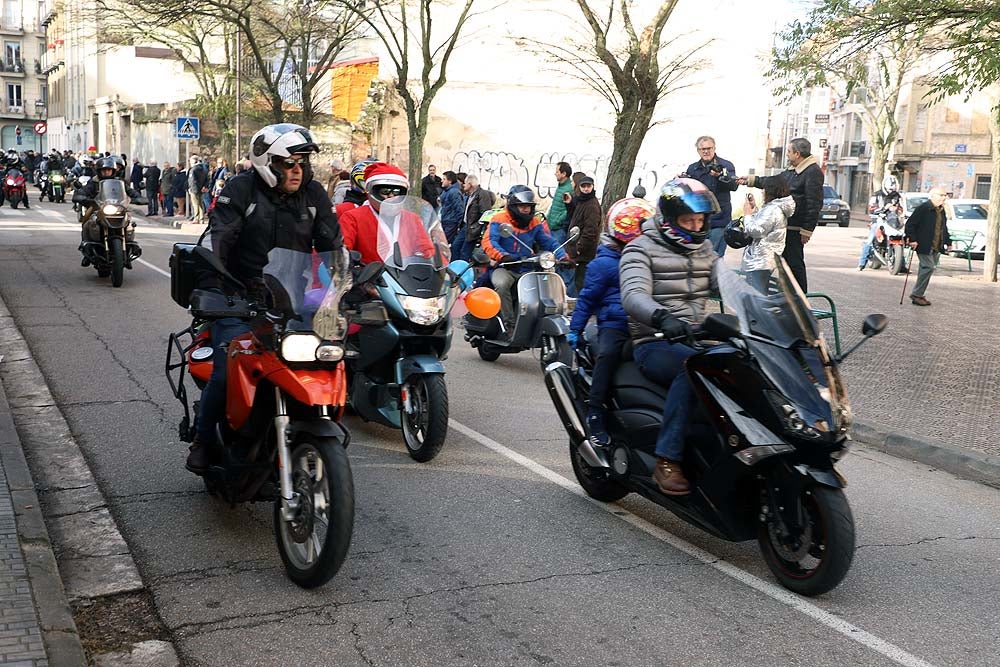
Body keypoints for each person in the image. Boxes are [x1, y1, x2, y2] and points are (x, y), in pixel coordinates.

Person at [186, 124, 343, 473]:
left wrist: (348, 286)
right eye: (289, 163)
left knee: (331, 359)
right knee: (227, 369)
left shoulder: (314, 194)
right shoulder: (241, 189)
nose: (298, 170)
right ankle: (203, 439)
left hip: (292, 300)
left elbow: (333, 243)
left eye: (302, 162)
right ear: (266, 163)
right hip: (239, 297)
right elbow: (219, 238)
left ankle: (312, 429)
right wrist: (213, 286)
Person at [619, 178, 722, 495]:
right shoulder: (641, 248)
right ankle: (668, 459)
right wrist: (662, 316)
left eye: (700, 219)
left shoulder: (705, 249)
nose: (696, 225)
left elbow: (727, 284)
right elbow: (633, 296)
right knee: (694, 370)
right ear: (669, 219)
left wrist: (766, 300)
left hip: (696, 336)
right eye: (688, 220)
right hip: (656, 341)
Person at [568, 197, 652, 447]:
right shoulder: (604, 264)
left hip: (645, 323)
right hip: (614, 324)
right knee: (608, 355)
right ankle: (595, 411)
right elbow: (587, 299)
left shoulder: (648, 258)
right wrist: (575, 329)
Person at [738, 137, 823, 291]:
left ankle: (800, 299)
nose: (787, 155)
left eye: (789, 152)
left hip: (795, 228)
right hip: (785, 225)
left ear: (797, 154)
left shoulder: (812, 172)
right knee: (782, 264)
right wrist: (751, 180)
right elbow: (773, 182)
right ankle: (786, 297)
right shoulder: (792, 171)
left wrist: (807, 230)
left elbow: (814, 203)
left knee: (794, 264)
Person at [482, 186, 569, 334]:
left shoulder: (534, 223)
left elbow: (549, 241)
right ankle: (508, 323)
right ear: (514, 206)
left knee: (543, 287)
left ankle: (535, 322)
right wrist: (502, 255)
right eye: (522, 207)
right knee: (502, 284)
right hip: (504, 267)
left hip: (527, 268)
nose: (526, 210)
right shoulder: (499, 220)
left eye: (529, 207)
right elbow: (489, 242)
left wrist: (562, 256)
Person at [339, 162, 439, 264]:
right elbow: (342, 251)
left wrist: (432, 261)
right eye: (385, 191)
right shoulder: (352, 218)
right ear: (372, 191)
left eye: (396, 192)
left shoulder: (412, 219)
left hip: (407, 277)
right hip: (370, 277)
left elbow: (426, 248)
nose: (391, 196)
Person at [73, 156, 141, 264]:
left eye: (109, 170)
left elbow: (129, 191)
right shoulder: (94, 182)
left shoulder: (119, 182)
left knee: (129, 222)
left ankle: (128, 245)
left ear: (113, 171)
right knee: (87, 220)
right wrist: (81, 196)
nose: (106, 172)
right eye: (104, 170)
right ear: (99, 171)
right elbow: (83, 191)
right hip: (98, 207)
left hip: (117, 207)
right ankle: (86, 246)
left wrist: (138, 197)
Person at [682, 136, 738, 257]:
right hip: (698, 222)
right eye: (702, 149)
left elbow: (734, 185)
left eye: (709, 148)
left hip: (719, 221)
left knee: (714, 259)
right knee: (696, 258)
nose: (706, 151)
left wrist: (720, 176)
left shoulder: (725, 165)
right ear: (698, 151)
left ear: (714, 148)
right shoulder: (692, 168)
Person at [738, 180, 793, 293]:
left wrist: (747, 215)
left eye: (764, 189)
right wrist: (754, 208)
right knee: (758, 293)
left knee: (755, 296)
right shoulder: (774, 208)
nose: (762, 191)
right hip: (765, 258)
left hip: (760, 259)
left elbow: (756, 231)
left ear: (771, 191)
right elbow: (763, 224)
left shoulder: (772, 210)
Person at [904, 187, 950, 306]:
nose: (944, 198)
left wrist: (948, 241)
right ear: (933, 196)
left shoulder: (941, 210)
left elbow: (943, 227)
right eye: (941, 195)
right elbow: (910, 224)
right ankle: (917, 294)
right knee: (928, 267)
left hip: (935, 245)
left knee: (925, 268)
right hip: (923, 243)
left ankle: (919, 295)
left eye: (945, 195)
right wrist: (912, 239)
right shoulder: (924, 208)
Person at [859, 174, 903, 270]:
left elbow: (901, 208)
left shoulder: (897, 196)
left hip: (892, 220)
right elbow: (871, 208)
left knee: (903, 238)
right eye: (890, 189)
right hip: (878, 219)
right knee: (870, 240)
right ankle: (861, 263)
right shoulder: (877, 195)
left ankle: (902, 265)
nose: (891, 191)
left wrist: (898, 209)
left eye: (893, 189)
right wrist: (883, 208)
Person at [568, 175, 603, 293]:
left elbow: (591, 230)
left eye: (589, 186)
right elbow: (574, 218)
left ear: (592, 187)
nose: (586, 189)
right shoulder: (582, 200)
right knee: (578, 281)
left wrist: (579, 248)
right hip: (578, 248)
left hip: (584, 251)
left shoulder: (592, 204)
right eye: (584, 186)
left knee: (581, 283)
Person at [547, 161, 577, 296]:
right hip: (553, 228)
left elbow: (567, 210)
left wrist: (557, 221)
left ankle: (569, 297)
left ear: (564, 174)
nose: (555, 173)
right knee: (557, 263)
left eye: (557, 171)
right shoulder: (561, 186)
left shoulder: (567, 189)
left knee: (562, 263)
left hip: (559, 230)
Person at [458, 175, 495, 263]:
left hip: (473, 228)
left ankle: (463, 273)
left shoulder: (482, 194)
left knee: (465, 252)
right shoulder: (470, 195)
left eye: (465, 183)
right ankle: (455, 268)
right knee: (456, 246)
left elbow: (485, 213)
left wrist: (478, 227)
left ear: (470, 184)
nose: (463, 185)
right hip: (466, 226)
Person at [439, 170, 465, 242]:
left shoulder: (454, 192)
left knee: (445, 242)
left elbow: (459, 209)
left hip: (451, 222)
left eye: (444, 179)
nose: (441, 181)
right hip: (445, 220)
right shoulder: (446, 191)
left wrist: (459, 225)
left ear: (450, 181)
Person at [188, 156, 210, 223]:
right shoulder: (203, 169)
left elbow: (192, 180)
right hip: (201, 189)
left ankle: (196, 218)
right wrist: (204, 186)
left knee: (195, 204)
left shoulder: (193, 169)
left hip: (194, 189)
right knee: (201, 204)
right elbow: (207, 179)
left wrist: (191, 188)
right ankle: (201, 218)